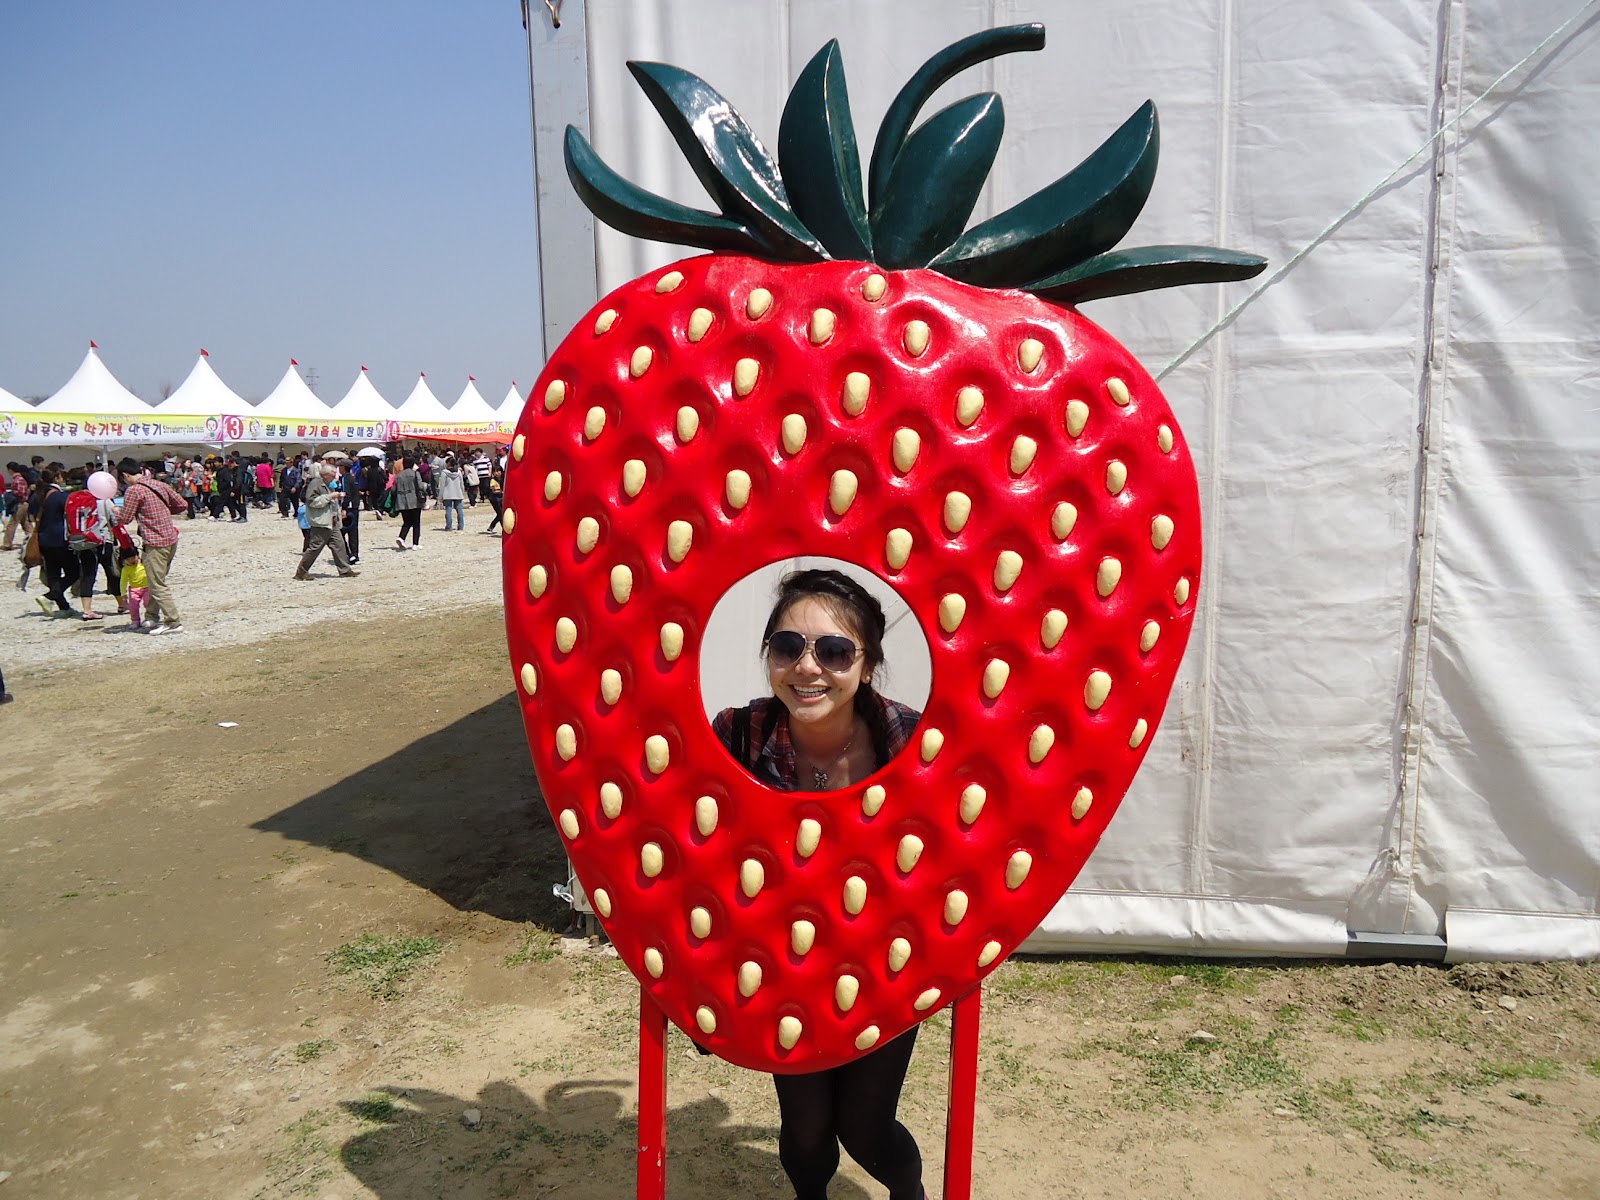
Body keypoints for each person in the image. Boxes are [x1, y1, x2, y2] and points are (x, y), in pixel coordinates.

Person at [710, 569, 924, 1200]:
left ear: (868, 663)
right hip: (781, 959)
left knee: (865, 1128)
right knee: (806, 1134)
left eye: (833, 651)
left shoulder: (912, 742)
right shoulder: (735, 737)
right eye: (786, 647)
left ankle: (909, 1194)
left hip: (884, 955)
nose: (808, 668)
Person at [112, 457, 186, 635]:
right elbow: (182, 504)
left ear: (125, 475)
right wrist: (164, 512)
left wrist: (116, 512)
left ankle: (173, 622)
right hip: (171, 538)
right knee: (156, 580)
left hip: (154, 542)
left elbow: (125, 518)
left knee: (156, 583)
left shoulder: (134, 491)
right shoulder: (158, 484)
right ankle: (152, 616)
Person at [64, 470, 120, 621]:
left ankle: (87, 610)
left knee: (88, 574)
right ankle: (122, 604)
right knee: (112, 572)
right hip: (103, 541)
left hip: (83, 541)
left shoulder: (75, 499)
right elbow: (115, 521)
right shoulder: (103, 500)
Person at [295, 463, 360, 579]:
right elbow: (311, 501)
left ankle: (344, 570)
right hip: (322, 522)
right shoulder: (316, 484)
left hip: (332, 520)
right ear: (325, 475)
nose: (335, 477)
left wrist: (337, 499)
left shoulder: (328, 485)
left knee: (339, 545)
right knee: (315, 548)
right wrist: (330, 497)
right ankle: (301, 572)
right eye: (333, 474)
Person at [33, 469, 77, 619]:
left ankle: (63, 607)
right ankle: (49, 596)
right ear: (57, 478)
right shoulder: (59, 496)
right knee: (74, 572)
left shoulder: (39, 495)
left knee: (53, 574)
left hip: (43, 539)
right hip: (59, 539)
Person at [391, 456, 424, 550]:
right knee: (416, 522)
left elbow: (393, 490)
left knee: (407, 522)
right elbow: (420, 486)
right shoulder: (415, 474)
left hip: (401, 501)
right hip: (414, 500)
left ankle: (401, 537)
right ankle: (415, 543)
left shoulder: (399, 476)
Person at [119, 546, 149, 628]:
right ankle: (135, 620)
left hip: (147, 587)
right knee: (133, 606)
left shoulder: (143, 564)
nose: (131, 561)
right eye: (128, 559)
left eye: (133, 558)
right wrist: (123, 594)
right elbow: (123, 582)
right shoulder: (126, 569)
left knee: (148, 603)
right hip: (134, 589)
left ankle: (149, 618)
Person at [340, 460, 362, 564]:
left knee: (342, 531)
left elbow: (346, 494)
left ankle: (349, 554)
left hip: (349, 508)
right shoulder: (352, 477)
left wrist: (344, 508)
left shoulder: (346, 478)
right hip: (355, 507)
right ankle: (354, 554)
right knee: (353, 532)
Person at [437, 455, 465, 531]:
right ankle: (461, 526)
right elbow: (461, 484)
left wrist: (440, 497)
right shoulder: (459, 472)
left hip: (447, 494)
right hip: (458, 493)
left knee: (448, 511)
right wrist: (462, 493)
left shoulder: (444, 473)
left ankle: (449, 526)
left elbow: (442, 486)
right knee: (459, 510)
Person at [483, 463, 505, 534]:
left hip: (501, 498)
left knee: (501, 514)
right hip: (494, 499)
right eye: (495, 471)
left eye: (498, 471)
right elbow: (494, 490)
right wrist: (502, 490)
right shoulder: (493, 480)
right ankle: (503, 529)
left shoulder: (503, 479)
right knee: (500, 514)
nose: (497, 473)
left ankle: (491, 527)